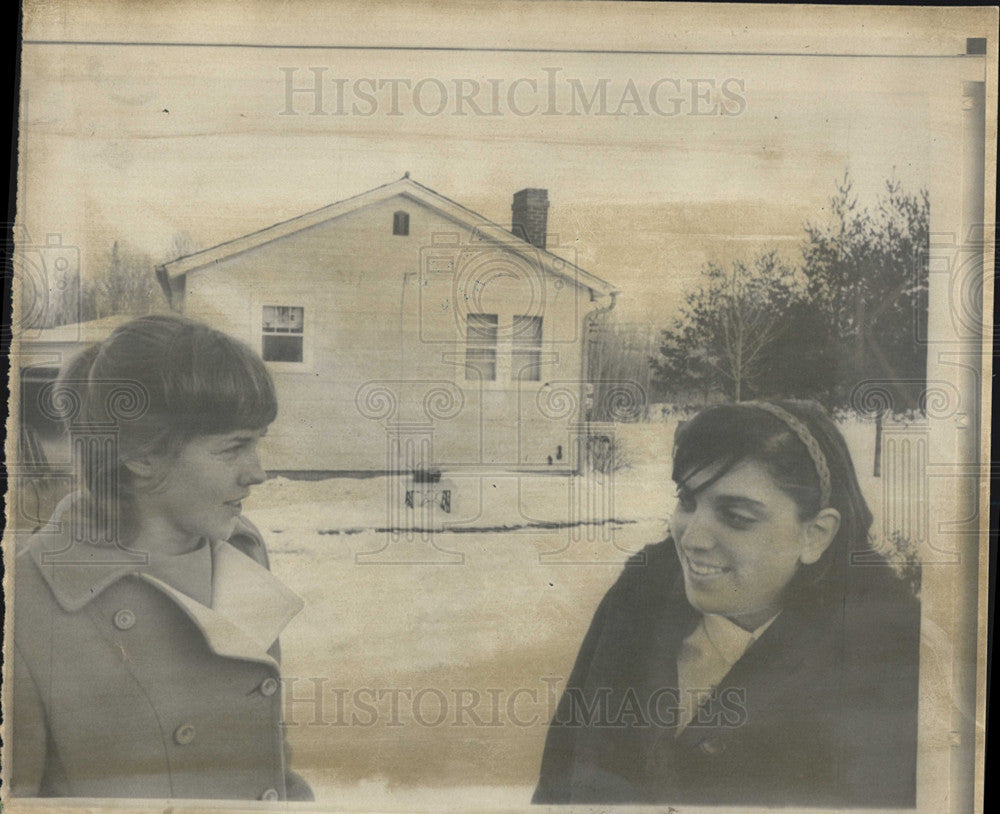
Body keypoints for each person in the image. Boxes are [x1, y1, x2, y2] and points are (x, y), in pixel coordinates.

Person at [533, 400, 920, 807]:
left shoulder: (884, 665)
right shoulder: (637, 605)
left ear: (816, 535)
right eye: (687, 501)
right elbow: (562, 771)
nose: (692, 538)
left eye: (736, 516)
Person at [11, 314, 313, 801]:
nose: (258, 473)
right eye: (234, 447)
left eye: (257, 442)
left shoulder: (242, 548)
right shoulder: (29, 600)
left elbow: (265, 759)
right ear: (141, 454)